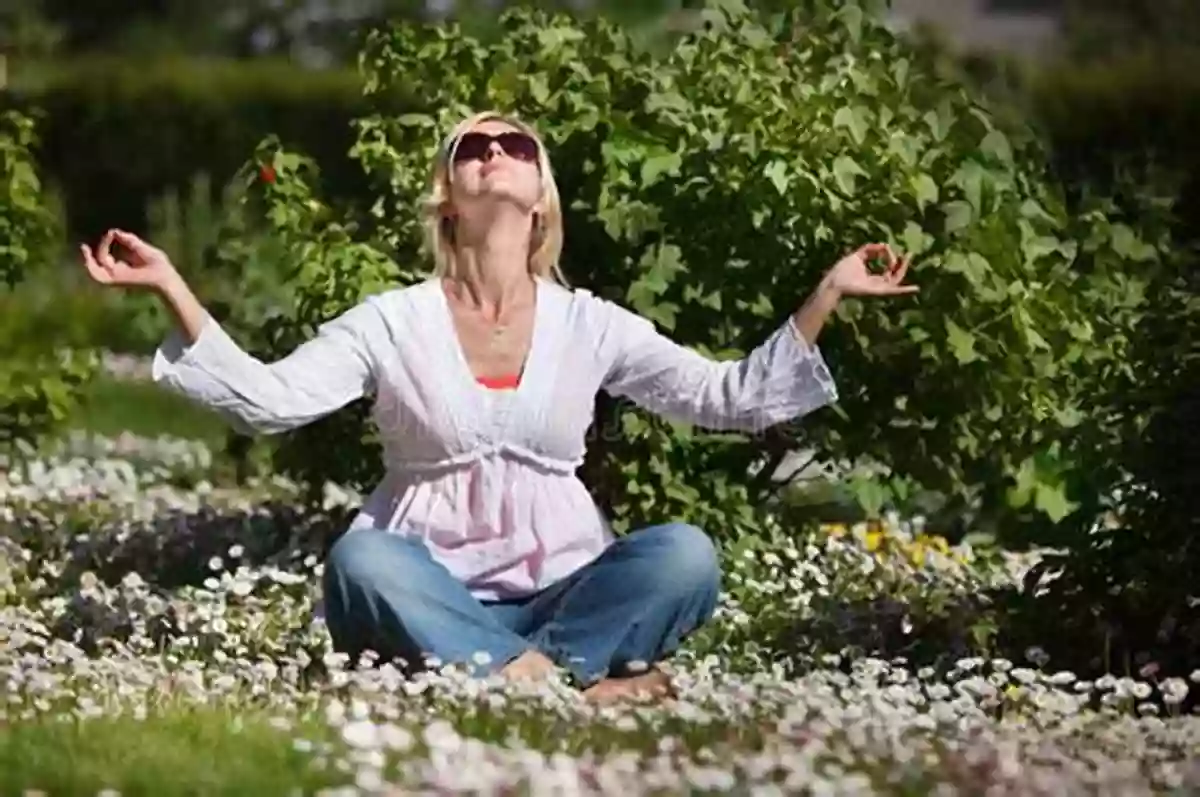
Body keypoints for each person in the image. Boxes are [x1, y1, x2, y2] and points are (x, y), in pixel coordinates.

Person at [80, 110, 917, 704]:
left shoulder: (589, 323)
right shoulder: (392, 319)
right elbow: (270, 399)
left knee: (686, 556)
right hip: (431, 588)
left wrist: (827, 295)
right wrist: (171, 286)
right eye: (470, 147)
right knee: (360, 564)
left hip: (566, 588)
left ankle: (505, 671)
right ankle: (571, 685)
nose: (491, 152)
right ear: (448, 192)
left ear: (541, 193)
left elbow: (725, 397)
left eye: (512, 144)